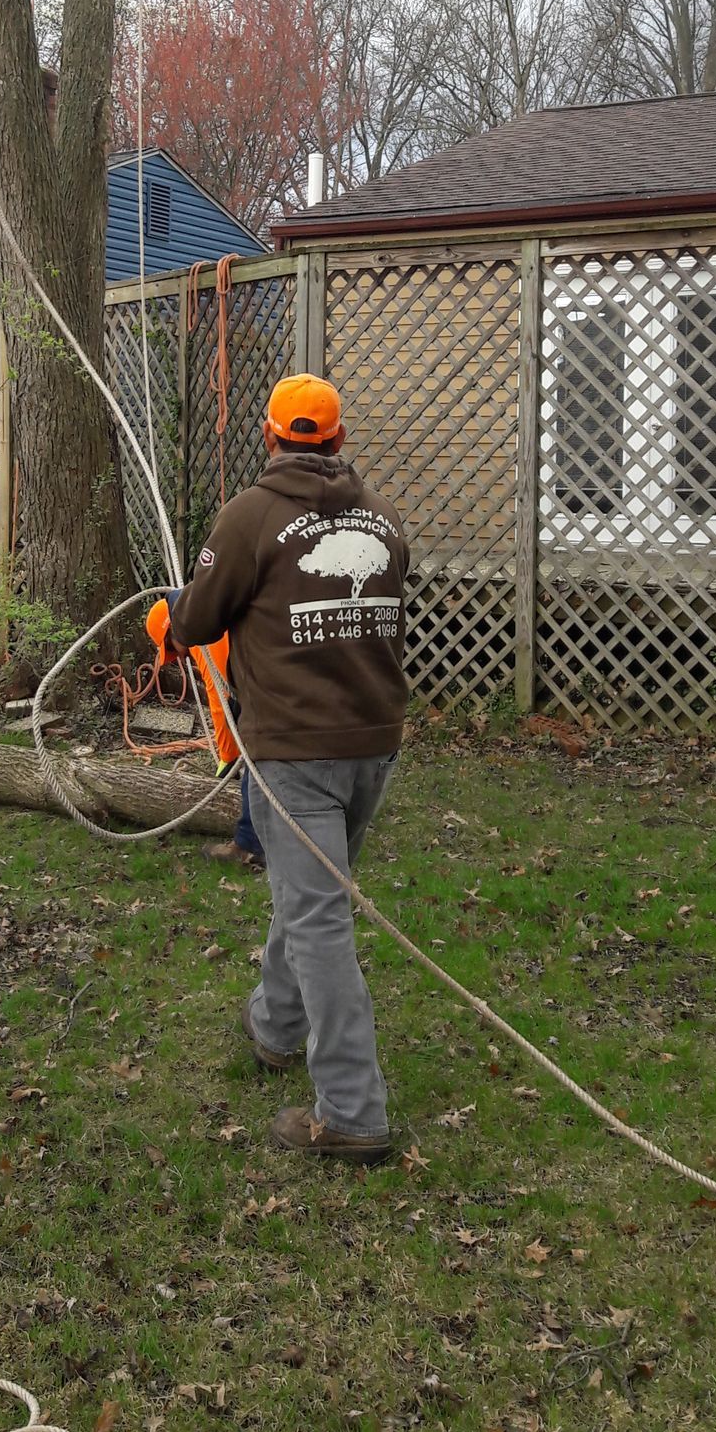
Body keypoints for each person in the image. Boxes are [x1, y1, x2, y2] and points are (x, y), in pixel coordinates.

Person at [167, 375, 410, 1162]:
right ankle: (275, 1028)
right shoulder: (383, 518)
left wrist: (172, 616)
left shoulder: (250, 517)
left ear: (270, 437)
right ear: (338, 440)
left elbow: (197, 621)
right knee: (312, 899)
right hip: (371, 745)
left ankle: (351, 1110)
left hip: (296, 755)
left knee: (318, 919)